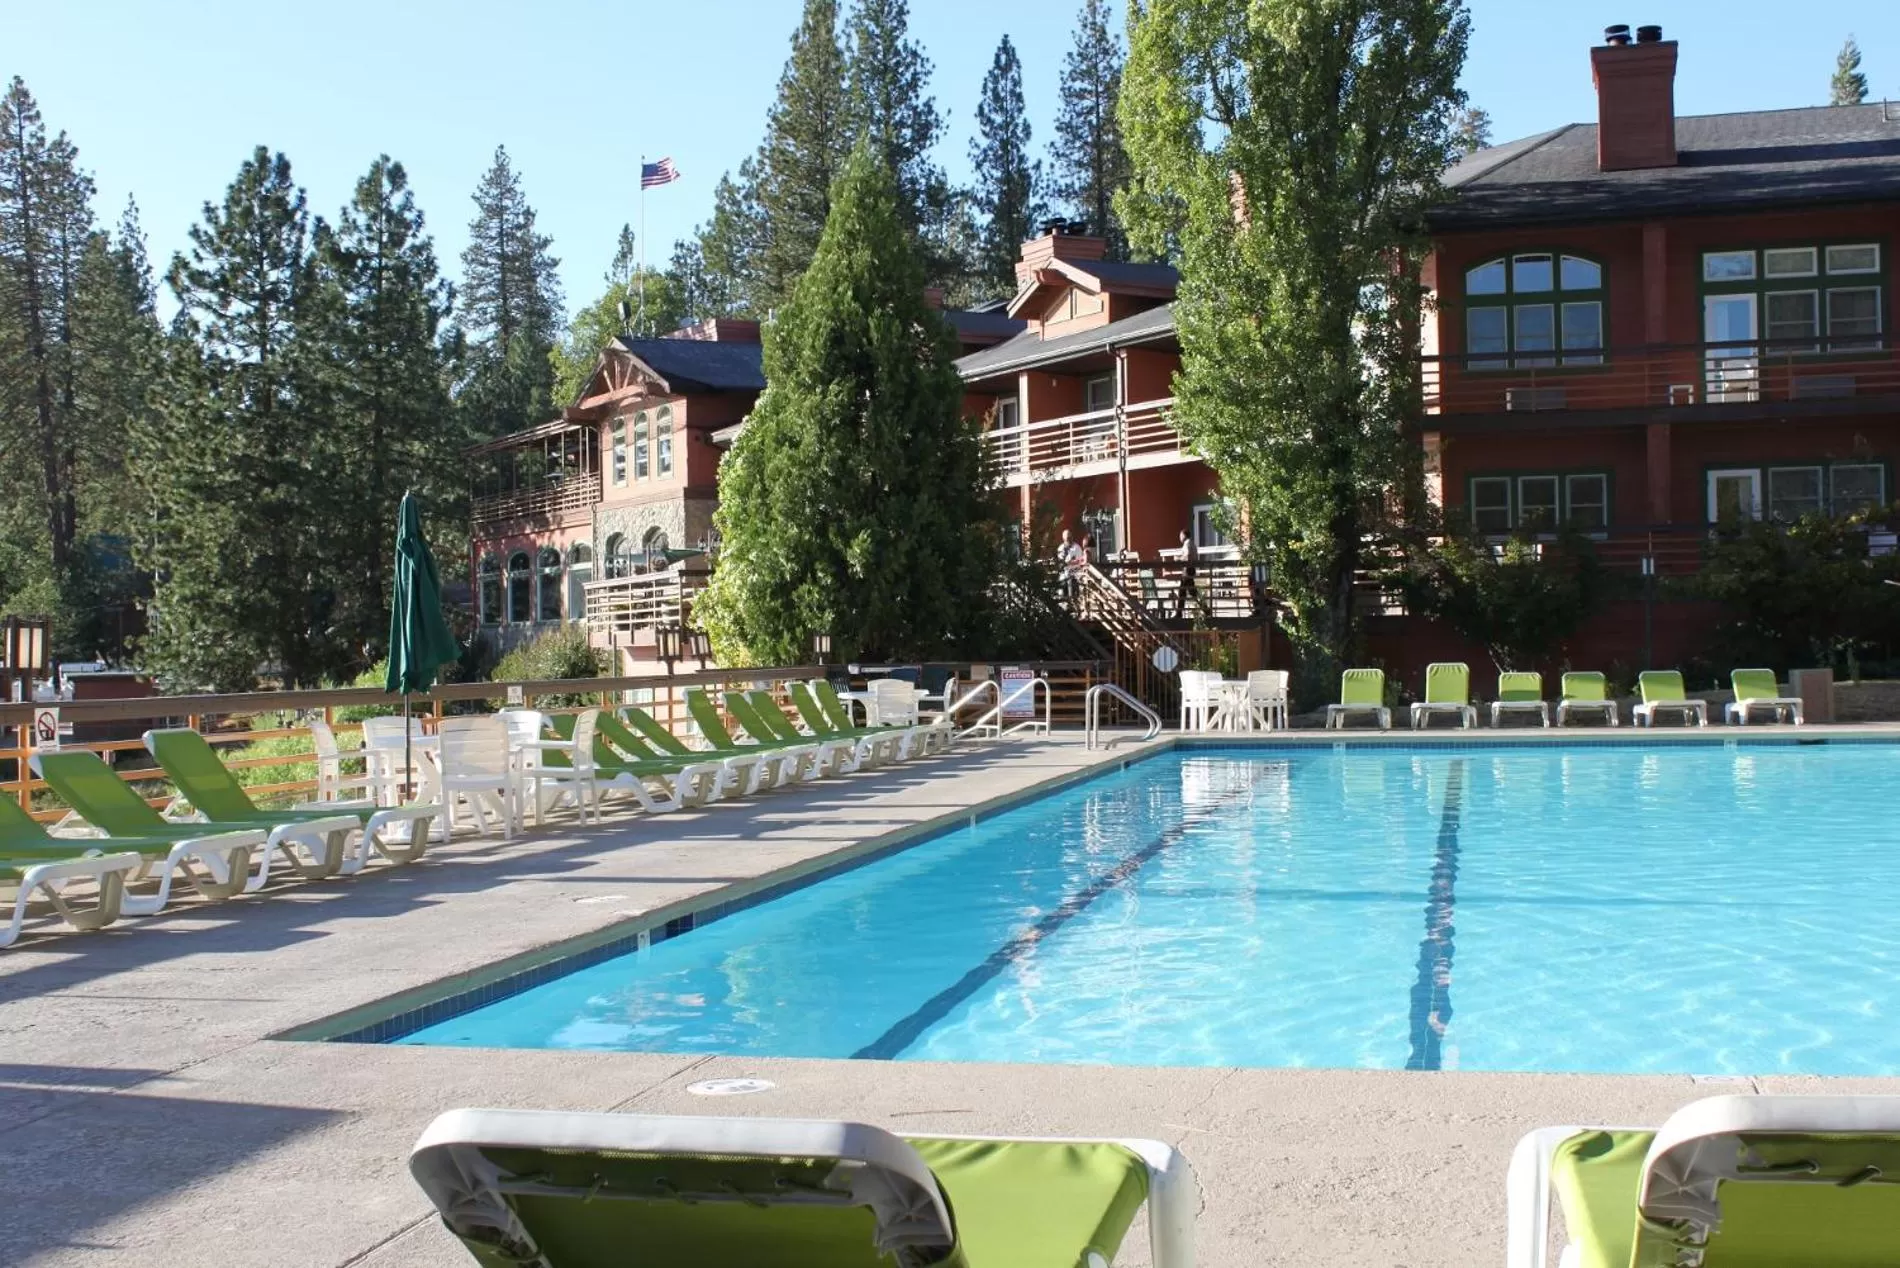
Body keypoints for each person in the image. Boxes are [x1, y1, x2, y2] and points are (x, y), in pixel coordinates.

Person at [1175, 528, 1200, 620]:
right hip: (1191, 569)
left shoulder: (1187, 543)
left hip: (1188, 569)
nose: (1179, 537)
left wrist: (1178, 559)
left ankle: (1179, 614)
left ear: (1184, 535)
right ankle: (1206, 609)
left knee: (1182, 591)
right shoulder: (1191, 543)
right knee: (1192, 592)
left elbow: (1188, 555)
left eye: (1180, 535)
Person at [1056, 529, 1084, 602]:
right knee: (1062, 580)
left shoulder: (1077, 548)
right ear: (1064, 539)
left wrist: (1071, 562)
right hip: (1065, 571)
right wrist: (1065, 563)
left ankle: (1073, 598)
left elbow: (1080, 560)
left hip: (1076, 571)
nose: (1069, 540)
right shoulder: (1061, 548)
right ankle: (1063, 600)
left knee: (1072, 579)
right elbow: (1060, 561)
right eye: (1067, 538)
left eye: (1070, 537)